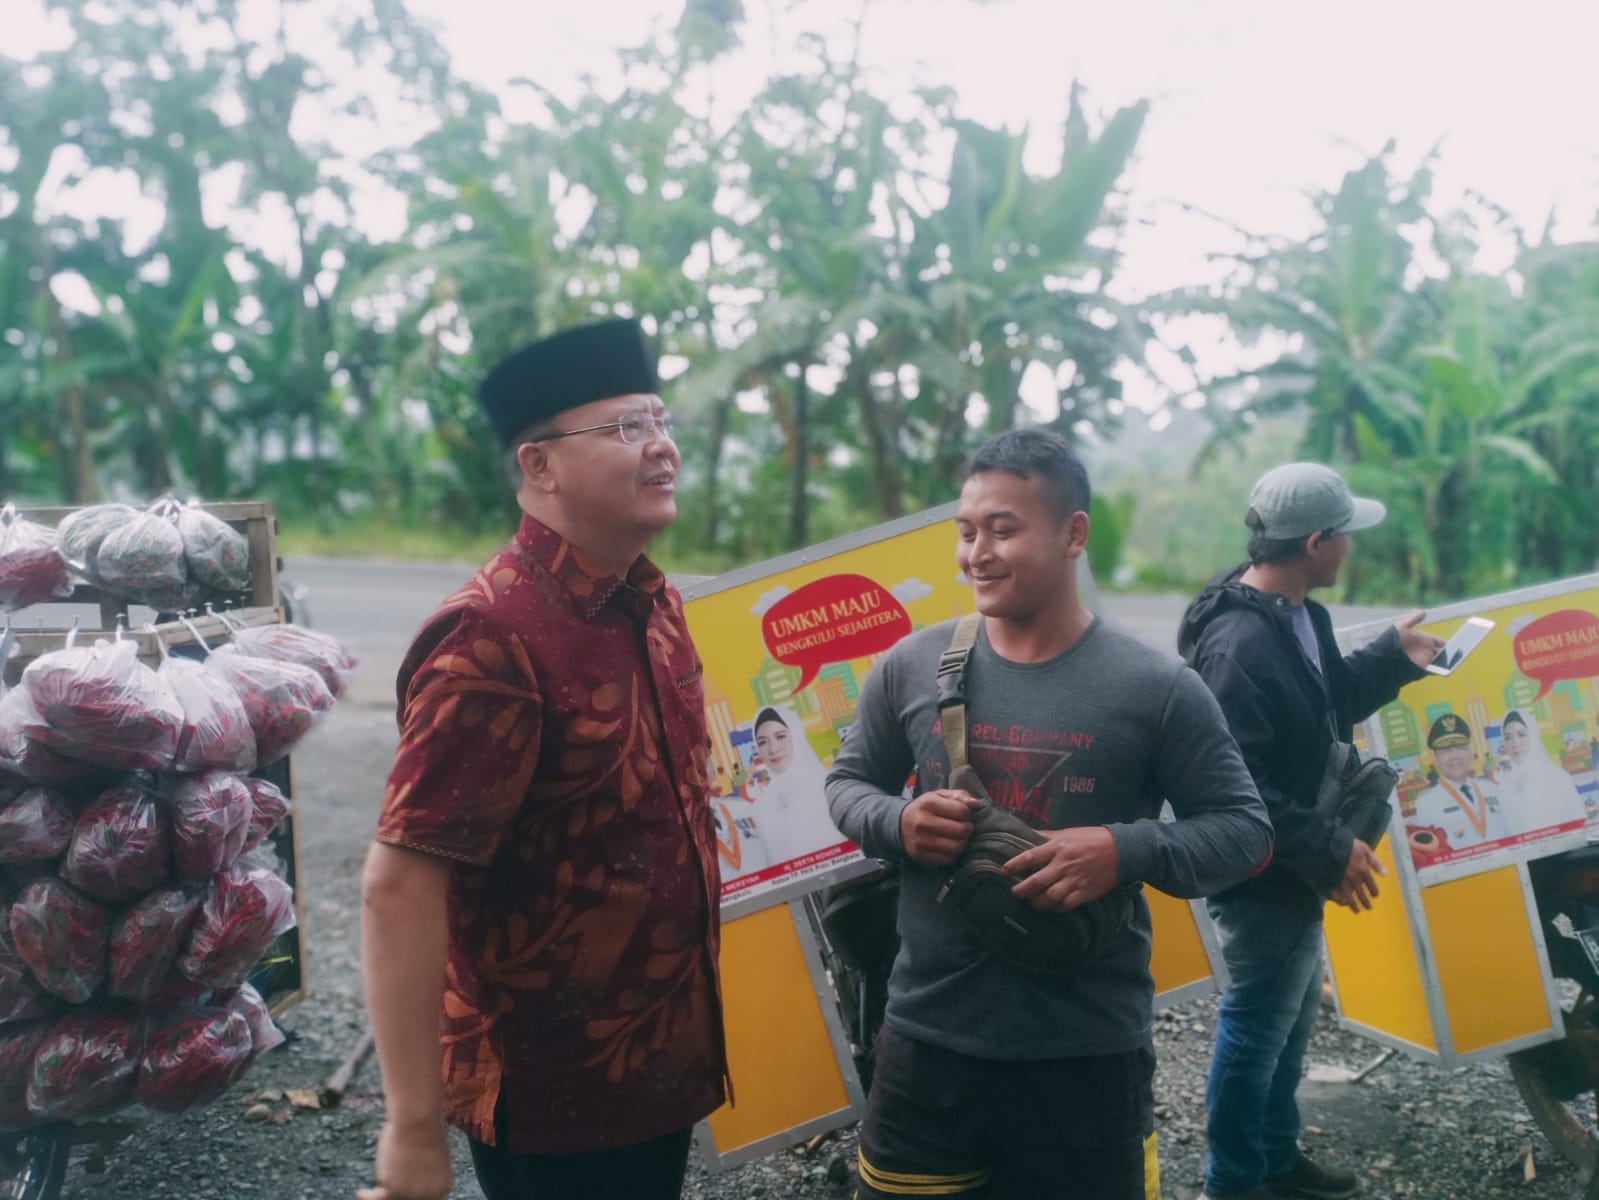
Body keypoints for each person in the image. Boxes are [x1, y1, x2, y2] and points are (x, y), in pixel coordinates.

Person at [827, 428, 1273, 1200]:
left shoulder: (1154, 687)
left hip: (1085, 1054)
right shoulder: (911, 663)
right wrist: (896, 824)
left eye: (1002, 529)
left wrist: (1122, 847)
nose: (977, 554)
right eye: (966, 533)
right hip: (927, 1044)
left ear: (1073, 534)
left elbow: (1243, 832)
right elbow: (846, 785)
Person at [357, 317, 726, 1200]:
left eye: (662, 420)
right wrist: (412, 1128)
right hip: (554, 1093)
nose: (661, 447)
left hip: (659, 1062)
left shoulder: (652, 599)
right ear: (539, 465)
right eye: (625, 428)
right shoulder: (491, 635)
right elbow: (400, 884)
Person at [1178, 462, 1445, 1200]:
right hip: (1260, 865)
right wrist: (1332, 848)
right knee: (1255, 1027)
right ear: (1317, 542)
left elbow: (1327, 705)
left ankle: (1272, 1157)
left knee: (1289, 1022)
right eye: (1347, 535)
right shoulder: (1237, 646)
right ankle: (1231, 1181)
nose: (1352, 547)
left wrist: (1396, 656)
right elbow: (1232, 785)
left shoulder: (1299, 614)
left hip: (1295, 856)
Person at [750, 704, 843, 864]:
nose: (773, 748)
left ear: (796, 735)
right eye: (763, 742)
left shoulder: (829, 787)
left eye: (780, 736)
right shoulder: (761, 807)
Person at [1408, 713, 1506, 857]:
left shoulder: (1491, 789)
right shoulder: (1426, 803)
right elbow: (1430, 853)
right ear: (1435, 757)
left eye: (1460, 748)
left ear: (1469, 752)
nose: (1454, 756)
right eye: (1446, 750)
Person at [1497, 707, 1586, 835]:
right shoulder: (1503, 789)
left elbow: (1580, 825)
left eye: (1521, 735)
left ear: (1533, 735)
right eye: (1508, 738)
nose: (1515, 743)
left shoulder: (1558, 778)